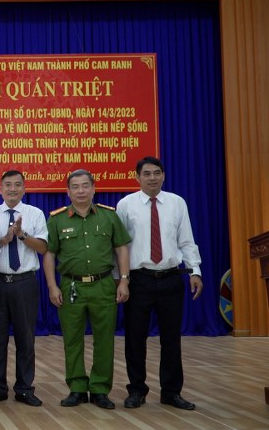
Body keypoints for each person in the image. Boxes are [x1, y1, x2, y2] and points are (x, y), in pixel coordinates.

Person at [116, 157, 203, 411]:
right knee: (135, 339)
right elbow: (119, 246)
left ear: (163, 175)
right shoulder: (126, 205)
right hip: (138, 280)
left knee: (171, 339)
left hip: (171, 278)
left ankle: (171, 392)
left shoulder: (177, 203)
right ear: (137, 177)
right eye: (146, 173)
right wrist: (120, 280)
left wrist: (195, 271)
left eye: (157, 173)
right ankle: (136, 390)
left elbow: (186, 241)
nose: (152, 178)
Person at [43, 169, 131, 410]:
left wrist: (124, 280)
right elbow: (49, 254)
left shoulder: (109, 216)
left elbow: (121, 248)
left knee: (104, 339)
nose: (80, 191)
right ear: (67, 191)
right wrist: (52, 286)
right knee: (72, 339)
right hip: (71, 285)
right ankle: (77, 388)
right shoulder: (57, 219)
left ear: (94, 188)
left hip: (104, 285)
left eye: (85, 186)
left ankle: (100, 389)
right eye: (75, 187)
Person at [0, 170, 47, 408]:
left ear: (24, 189)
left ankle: (24, 388)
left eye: (17, 185)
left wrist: (21, 235)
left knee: (25, 338)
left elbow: (43, 248)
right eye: (7, 185)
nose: (12, 189)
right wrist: (4, 239)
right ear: (0, 190)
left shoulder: (35, 213)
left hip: (24, 283)